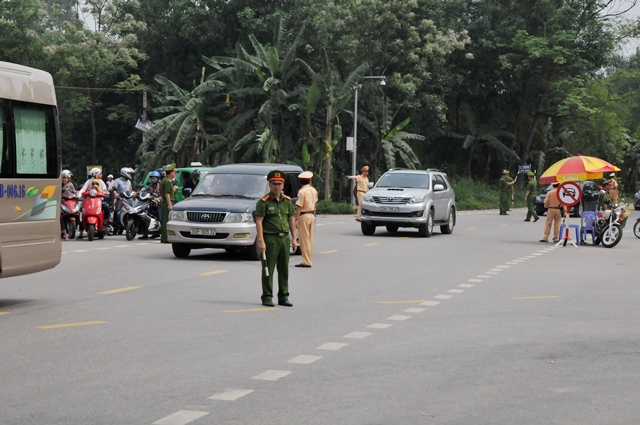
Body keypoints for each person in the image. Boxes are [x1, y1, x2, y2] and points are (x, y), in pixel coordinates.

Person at [255, 170, 297, 307]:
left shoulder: (287, 201)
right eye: (274, 184)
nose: (276, 187)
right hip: (270, 239)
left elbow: (291, 219)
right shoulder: (263, 202)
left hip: (284, 238)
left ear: (283, 185)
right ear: (269, 184)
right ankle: (267, 296)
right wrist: (261, 240)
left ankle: (283, 296)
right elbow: (259, 221)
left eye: (279, 184)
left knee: (284, 269)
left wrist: (294, 238)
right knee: (268, 269)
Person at [76, 168, 110, 239]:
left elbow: (104, 190)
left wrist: (105, 193)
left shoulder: (101, 181)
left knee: (106, 207)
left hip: (99, 200)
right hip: (88, 200)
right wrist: (79, 195)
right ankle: (81, 232)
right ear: (94, 174)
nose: (100, 175)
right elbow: (83, 189)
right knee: (83, 213)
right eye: (99, 173)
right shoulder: (88, 181)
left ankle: (105, 221)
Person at [294, 171, 318, 268]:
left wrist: (296, 218)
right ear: (310, 180)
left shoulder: (301, 192)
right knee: (310, 239)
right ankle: (308, 259)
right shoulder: (314, 190)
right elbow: (315, 205)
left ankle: (306, 261)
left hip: (303, 216)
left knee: (304, 240)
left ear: (300, 181)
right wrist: (314, 216)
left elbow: (299, 206)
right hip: (311, 215)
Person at [140, 171, 162, 239]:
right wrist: (137, 193)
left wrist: (158, 198)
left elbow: (164, 195)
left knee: (160, 219)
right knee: (145, 217)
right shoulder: (150, 186)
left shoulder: (161, 185)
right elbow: (145, 191)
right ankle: (145, 234)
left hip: (158, 205)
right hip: (151, 204)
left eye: (154, 178)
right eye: (152, 178)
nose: (153, 179)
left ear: (158, 178)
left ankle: (160, 233)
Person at [160, 163, 178, 243]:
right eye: (174, 172)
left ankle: (165, 237)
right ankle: (164, 237)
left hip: (166, 202)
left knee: (166, 220)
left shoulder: (167, 180)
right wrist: (170, 204)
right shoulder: (167, 181)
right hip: (167, 202)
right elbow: (167, 194)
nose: (175, 173)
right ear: (171, 172)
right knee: (166, 220)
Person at [60, 169, 77, 240]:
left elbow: (75, 192)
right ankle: (64, 232)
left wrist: (77, 196)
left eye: (65, 178)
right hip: (60, 203)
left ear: (69, 179)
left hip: (69, 202)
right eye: (63, 177)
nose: (64, 179)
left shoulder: (71, 185)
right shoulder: (58, 185)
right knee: (59, 216)